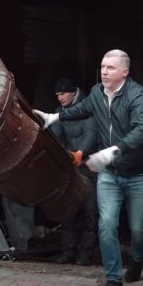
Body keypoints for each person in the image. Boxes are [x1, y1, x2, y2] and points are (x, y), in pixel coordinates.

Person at [34, 50, 143, 286]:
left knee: (137, 229)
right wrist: (54, 116)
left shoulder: (139, 97)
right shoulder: (97, 94)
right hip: (110, 174)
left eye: (110, 67)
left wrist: (114, 150)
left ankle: (138, 259)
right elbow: (81, 109)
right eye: (102, 66)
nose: (104, 71)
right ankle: (114, 280)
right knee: (106, 224)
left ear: (125, 72)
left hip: (138, 174)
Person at [47, 78, 99, 265]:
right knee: (69, 211)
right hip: (72, 167)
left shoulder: (88, 109)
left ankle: (84, 256)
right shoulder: (60, 112)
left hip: (91, 166)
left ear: (72, 92)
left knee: (90, 212)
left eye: (62, 94)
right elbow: (57, 137)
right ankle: (68, 253)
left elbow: (91, 134)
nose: (59, 98)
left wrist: (79, 153)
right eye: (57, 95)